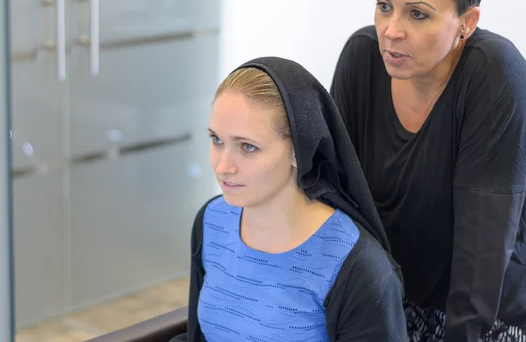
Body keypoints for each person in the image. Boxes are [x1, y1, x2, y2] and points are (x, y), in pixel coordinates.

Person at [330, 0, 526, 341]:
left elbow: (482, 256)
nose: (392, 30)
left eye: (418, 13)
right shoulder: (361, 58)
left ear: (467, 21)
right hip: (393, 290)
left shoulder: (495, 74)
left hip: (490, 307)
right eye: (384, 5)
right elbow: (333, 203)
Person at [170, 57, 407, 341]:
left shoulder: (357, 266)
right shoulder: (212, 221)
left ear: (299, 150)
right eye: (217, 140)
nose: (223, 166)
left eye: (247, 147)